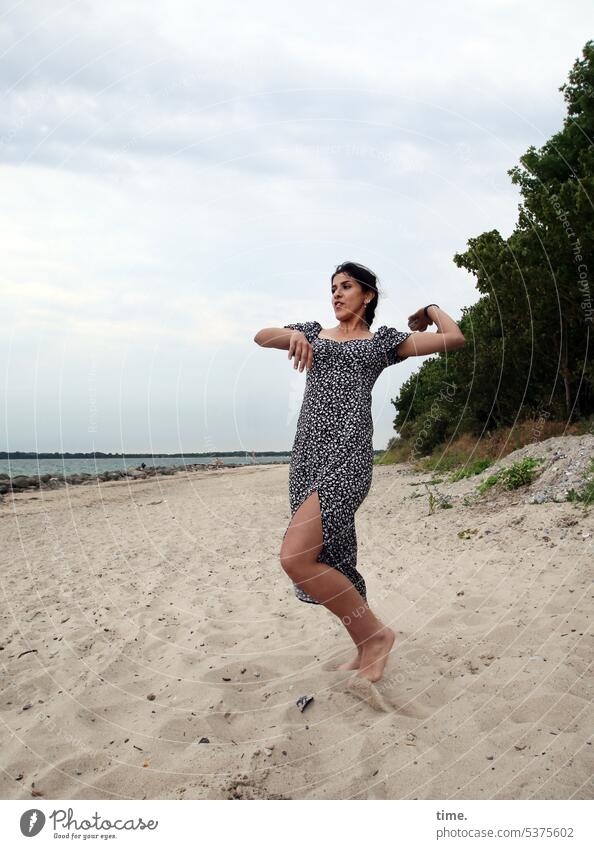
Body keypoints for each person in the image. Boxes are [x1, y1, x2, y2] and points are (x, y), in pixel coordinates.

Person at [253, 261, 465, 683]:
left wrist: (431, 309)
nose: (336, 294)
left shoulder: (382, 342)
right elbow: (260, 337)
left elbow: (453, 338)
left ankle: (378, 636)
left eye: (346, 287)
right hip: (307, 456)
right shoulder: (312, 333)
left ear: (367, 295)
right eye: (332, 287)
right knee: (324, 555)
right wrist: (291, 333)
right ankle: (364, 641)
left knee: (295, 557)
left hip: (347, 456)